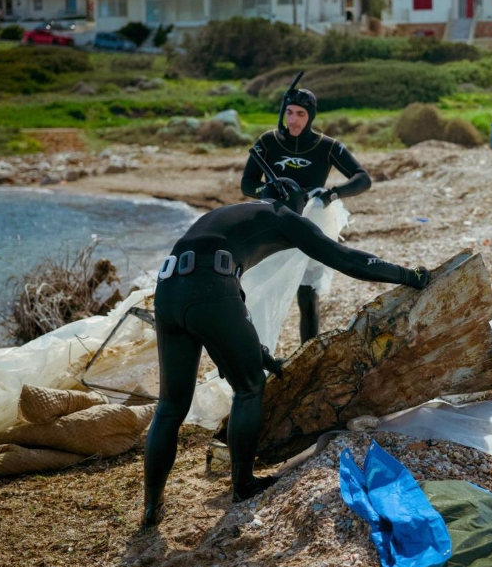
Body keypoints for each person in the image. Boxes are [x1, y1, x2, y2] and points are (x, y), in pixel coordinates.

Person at [142, 191, 430, 528]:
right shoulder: (283, 215)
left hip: (168, 291)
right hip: (211, 289)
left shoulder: (230, 214)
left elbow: (223, 294)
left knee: (170, 407)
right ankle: (243, 485)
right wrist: (407, 275)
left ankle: (151, 507)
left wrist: (257, 352)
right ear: (294, 201)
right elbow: (345, 259)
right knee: (249, 388)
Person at [241, 83, 372, 344]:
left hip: (311, 221)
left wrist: (331, 194)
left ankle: (309, 351)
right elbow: (247, 183)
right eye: (289, 112)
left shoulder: (326, 146)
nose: (293, 120)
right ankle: (256, 350)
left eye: (300, 114)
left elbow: (363, 178)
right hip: (273, 221)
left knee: (308, 296)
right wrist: (268, 190)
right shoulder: (268, 141)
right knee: (259, 289)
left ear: (310, 116)